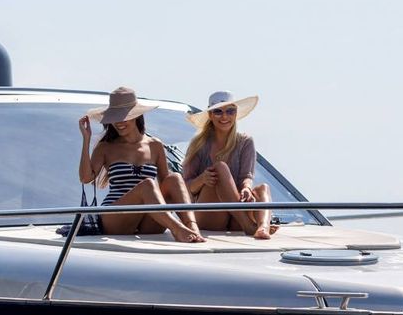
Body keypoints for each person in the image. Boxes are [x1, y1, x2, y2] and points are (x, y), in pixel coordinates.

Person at [78, 87, 205, 242]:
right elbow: (86, 178)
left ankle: (192, 227)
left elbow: (167, 184)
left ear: (136, 115)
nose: (119, 122)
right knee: (148, 185)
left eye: (124, 117)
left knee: (175, 178)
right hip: (115, 217)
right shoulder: (106, 147)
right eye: (115, 118)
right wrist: (86, 140)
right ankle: (178, 229)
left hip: (148, 219)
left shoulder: (155, 145)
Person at [183, 91, 274, 239]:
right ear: (210, 115)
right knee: (220, 168)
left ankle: (263, 227)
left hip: (236, 216)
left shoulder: (245, 141)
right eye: (218, 112)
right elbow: (185, 188)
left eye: (230, 111)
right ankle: (250, 226)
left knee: (263, 188)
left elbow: (246, 177)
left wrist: (246, 188)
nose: (224, 117)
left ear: (236, 113)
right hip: (210, 215)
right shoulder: (199, 144)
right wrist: (202, 179)